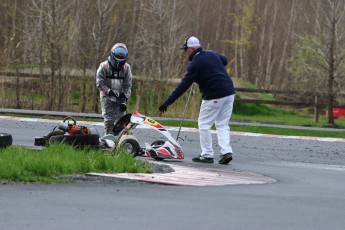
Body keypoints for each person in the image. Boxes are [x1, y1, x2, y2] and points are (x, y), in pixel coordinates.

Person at [158, 36, 235, 164]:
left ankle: (207, 154)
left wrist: (167, 102)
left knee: (204, 124)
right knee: (222, 124)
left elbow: (183, 86)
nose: (185, 52)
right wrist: (210, 68)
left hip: (214, 95)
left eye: (186, 49)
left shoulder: (195, 64)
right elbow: (225, 60)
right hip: (229, 93)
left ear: (192, 49)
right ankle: (226, 152)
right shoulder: (211, 53)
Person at [96, 43, 132, 135]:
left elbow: (128, 85)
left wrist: (124, 99)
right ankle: (107, 140)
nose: (118, 64)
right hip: (106, 96)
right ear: (111, 56)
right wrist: (111, 92)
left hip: (120, 97)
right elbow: (100, 84)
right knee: (109, 120)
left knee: (122, 121)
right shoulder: (103, 66)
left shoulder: (127, 68)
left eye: (121, 62)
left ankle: (119, 140)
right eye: (116, 61)